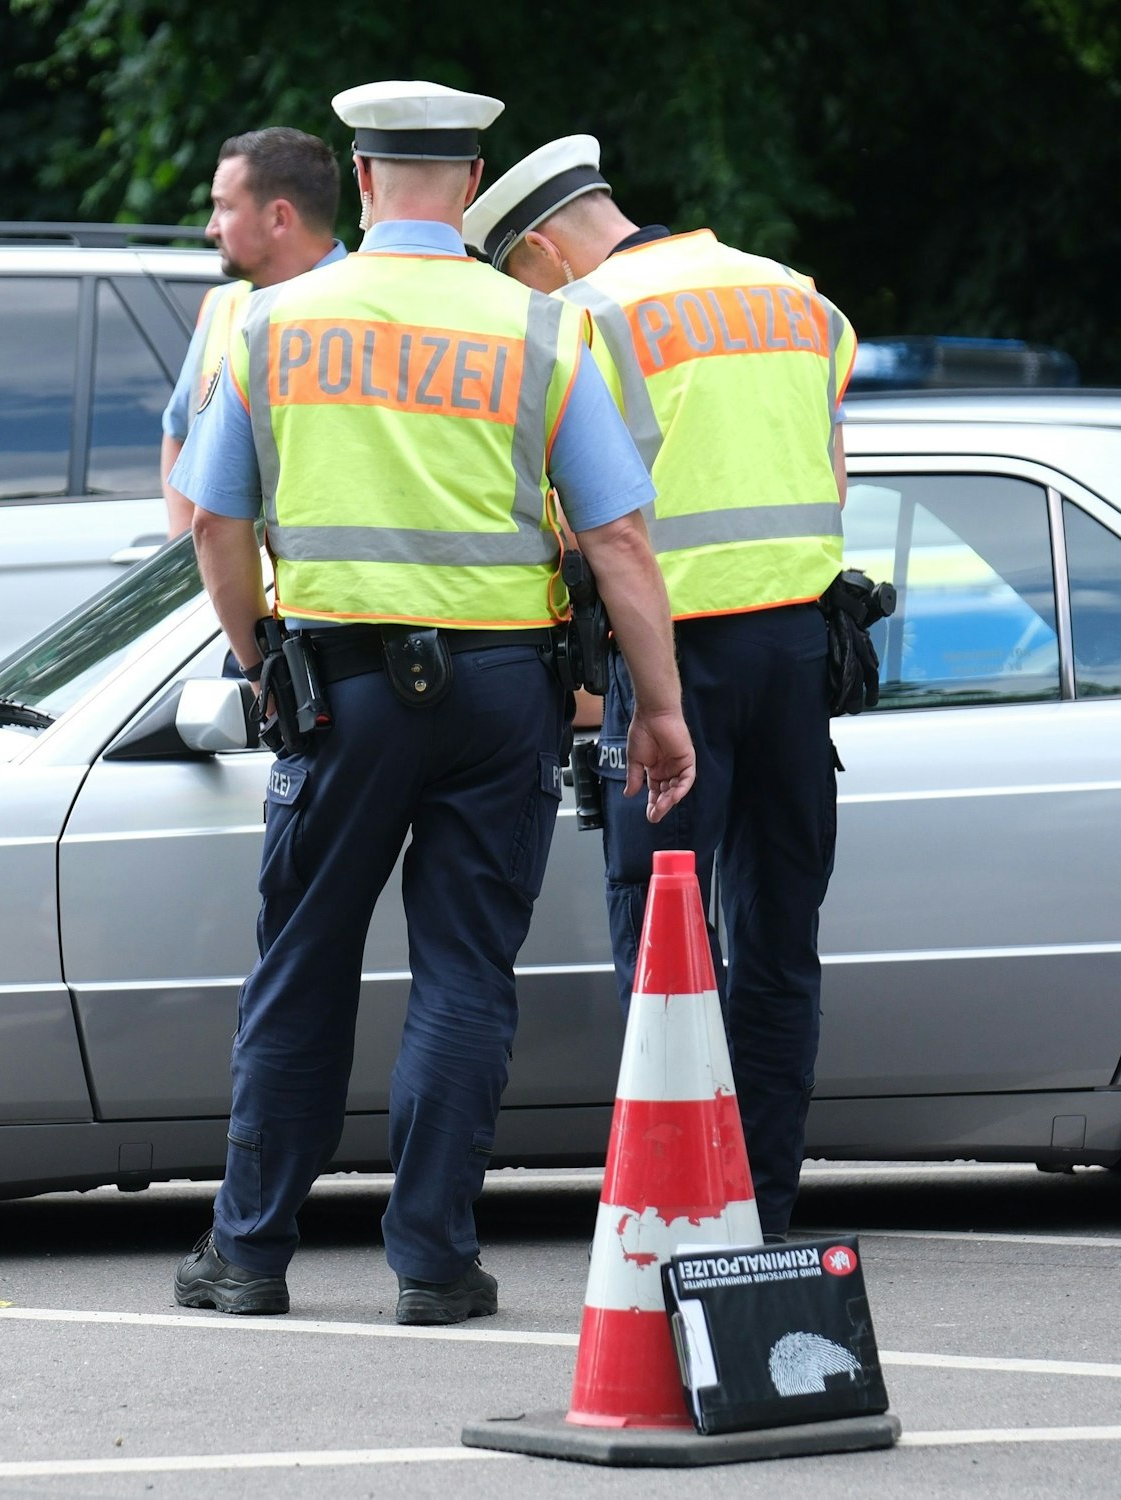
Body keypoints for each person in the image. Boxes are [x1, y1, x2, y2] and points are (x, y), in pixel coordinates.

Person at [167, 82, 696, 1325]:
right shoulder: (540, 327)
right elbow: (618, 538)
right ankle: (432, 1262)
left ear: (359, 179)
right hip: (502, 694)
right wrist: (659, 710)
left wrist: (259, 658)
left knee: (301, 965)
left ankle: (247, 1255)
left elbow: (213, 523)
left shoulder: (269, 323)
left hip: (339, 692)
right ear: (467, 185)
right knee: (464, 972)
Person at [467, 135, 857, 1239]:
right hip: (798, 653)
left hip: (670, 669)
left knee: (664, 951)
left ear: (542, 247)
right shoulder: (797, 298)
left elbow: (577, 524)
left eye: (517, 273)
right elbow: (832, 474)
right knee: (779, 947)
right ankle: (762, 1211)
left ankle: (688, 1212)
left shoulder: (582, 318)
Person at [161, 128, 346, 538]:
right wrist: (187, 551)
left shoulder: (363, 309)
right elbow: (178, 435)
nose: (211, 228)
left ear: (279, 218)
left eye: (225, 208)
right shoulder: (222, 306)